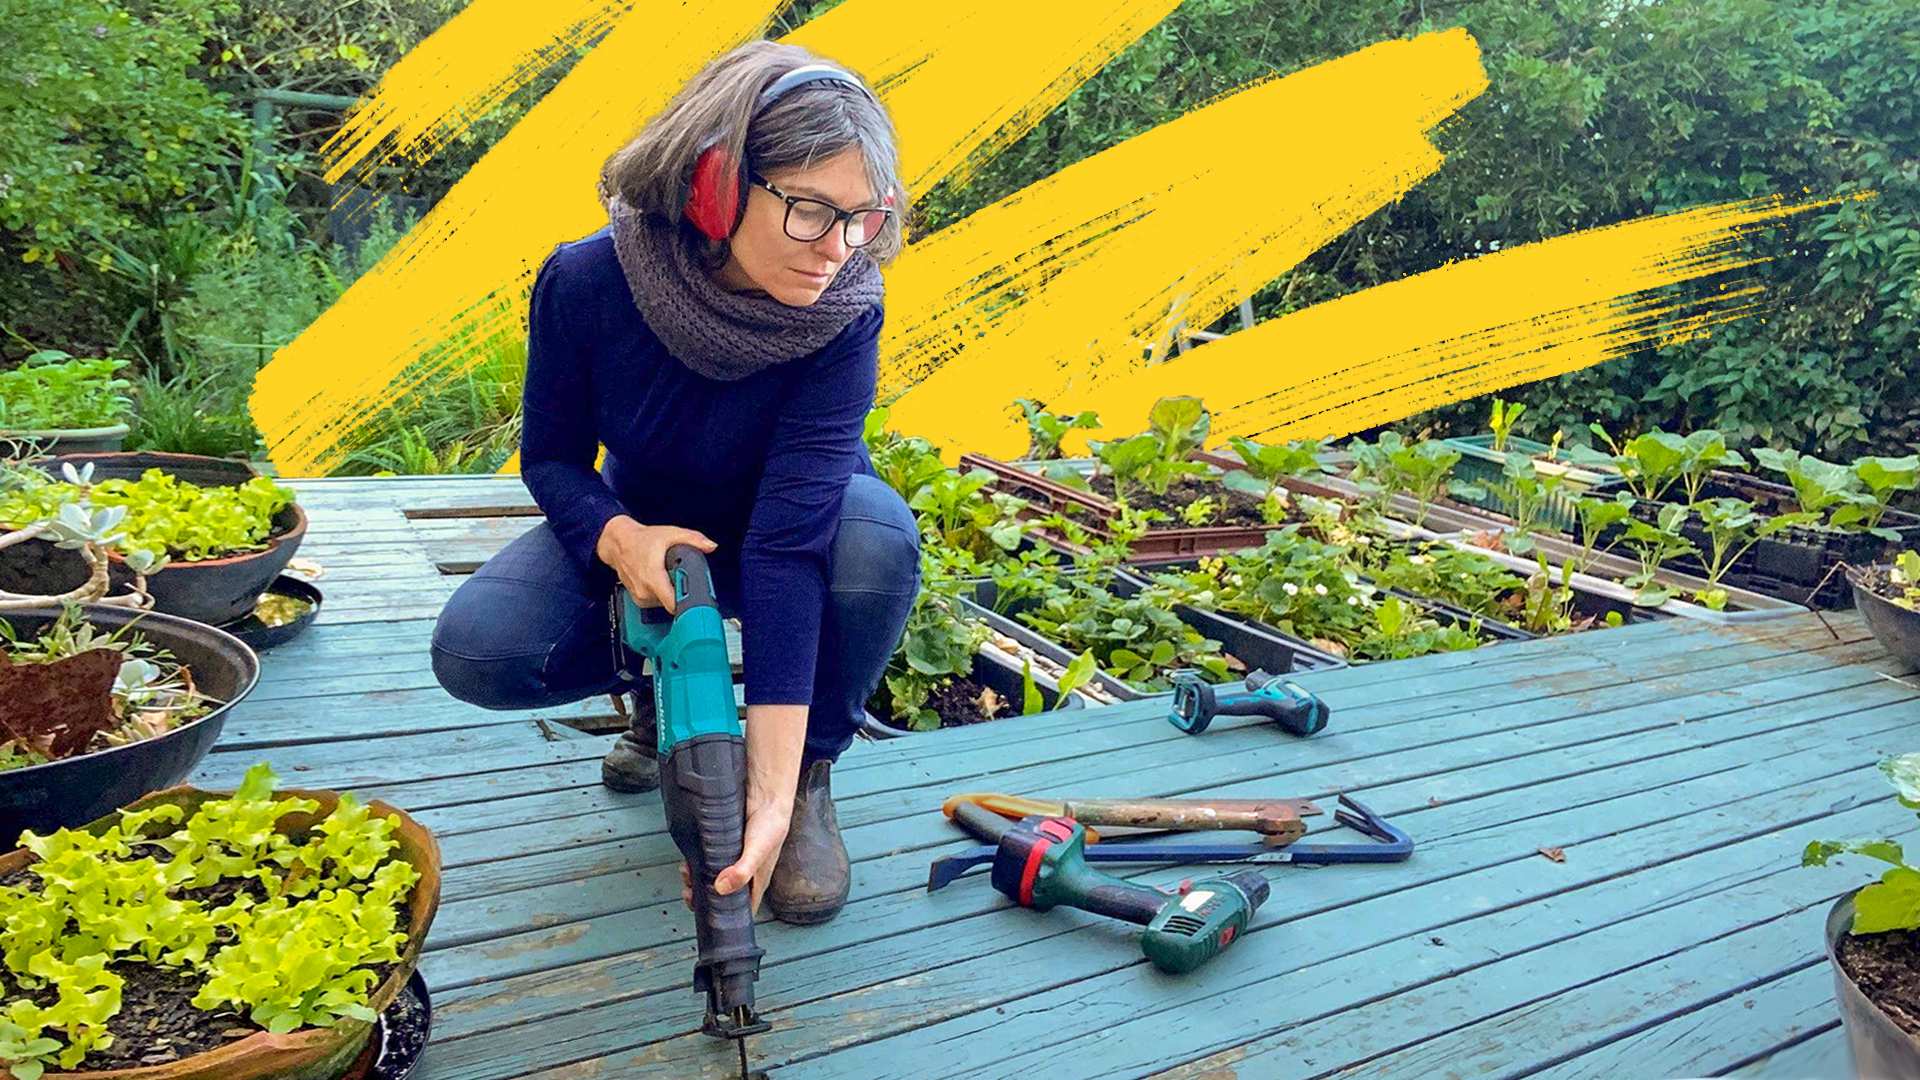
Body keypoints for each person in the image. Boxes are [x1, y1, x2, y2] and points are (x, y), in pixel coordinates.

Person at [430, 40, 921, 927]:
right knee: (481, 649)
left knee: (873, 543)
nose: (839, 249)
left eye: (863, 218)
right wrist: (622, 540)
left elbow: (787, 542)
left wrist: (763, 796)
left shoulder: (846, 312)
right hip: (650, 525)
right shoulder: (586, 281)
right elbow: (549, 459)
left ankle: (809, 772)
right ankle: (663, 704)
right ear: (715, 185)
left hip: (800, 526)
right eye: (812, 211)